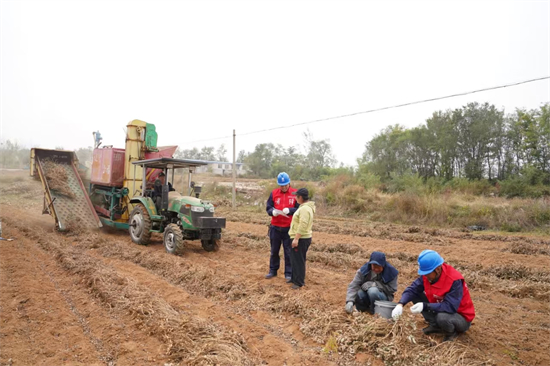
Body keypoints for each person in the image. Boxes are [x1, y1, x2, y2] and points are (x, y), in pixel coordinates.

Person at [391, 250, 475, 342]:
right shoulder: (428, 275)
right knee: (415, 295)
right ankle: (435, 325)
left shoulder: (454, 280)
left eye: (427, 273)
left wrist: (425, 306)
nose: (425, 276)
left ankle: (451, 332)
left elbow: (450, 306)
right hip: (442, 308)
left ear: (438, 269)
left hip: (460, 317)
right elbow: (413, 289)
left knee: (442, 317)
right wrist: (400, 304)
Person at [265, 172, 299, 280]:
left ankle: (288, 273)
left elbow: (299, 208)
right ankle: (273, 270)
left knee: (288, 252)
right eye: (281, 185)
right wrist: (272, 212)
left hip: (288, 228)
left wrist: (290, 210)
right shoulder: (274, 193)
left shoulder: (295, 193)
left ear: (289, 183)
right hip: (275, 227)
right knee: (274, 251)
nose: (284, 187)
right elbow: (268, 207)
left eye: (285, 185)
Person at [288, 188, 315, 290]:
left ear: (300, 197)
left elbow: (303, 224)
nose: (295, 198)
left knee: (299, 260)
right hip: (302, 237)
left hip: (302, 238)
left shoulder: (304, 209)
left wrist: (296, 238)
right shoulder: (305, 207)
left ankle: (299, 282)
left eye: (296, 196)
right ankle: (294, 278)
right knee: (295, 259)